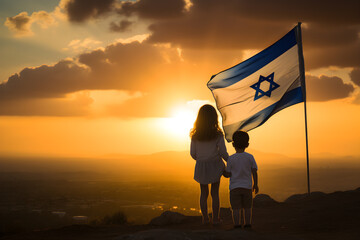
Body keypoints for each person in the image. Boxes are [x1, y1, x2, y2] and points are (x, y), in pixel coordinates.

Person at [190, 104, 229, 224]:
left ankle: (205, 218)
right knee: (215, 193)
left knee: (203, 193)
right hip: (215, 165)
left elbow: (193, 153)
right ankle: (216, 219)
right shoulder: (218, 135)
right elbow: (223, 152)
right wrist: (231, 162)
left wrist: (201, 159)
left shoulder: (195, 136)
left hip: (201, 166)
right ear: (214, 118)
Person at [223, 131, 259, 229]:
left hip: (234, 188)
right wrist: (255, 184)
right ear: (247, 144)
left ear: (233, 144)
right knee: (248, 208)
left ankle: (237, 225)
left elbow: (228, 174)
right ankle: (248, 224)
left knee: (236, 208)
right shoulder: (250, 157)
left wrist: (222, 170)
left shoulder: (231, 159)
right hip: (247, 187)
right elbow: (254, 171)